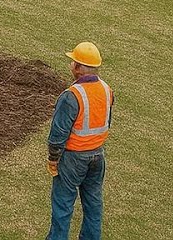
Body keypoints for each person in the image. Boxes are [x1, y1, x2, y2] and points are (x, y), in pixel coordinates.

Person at [46, 41, 112, 240]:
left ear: (78, 68)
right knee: (93, 204)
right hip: (98, 156)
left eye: (73, 61)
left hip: (73, 158)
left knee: (63, 204)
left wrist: (53, 158)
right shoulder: (107, 89)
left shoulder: (71, 96)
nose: (70, 65)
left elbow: (58, 134)